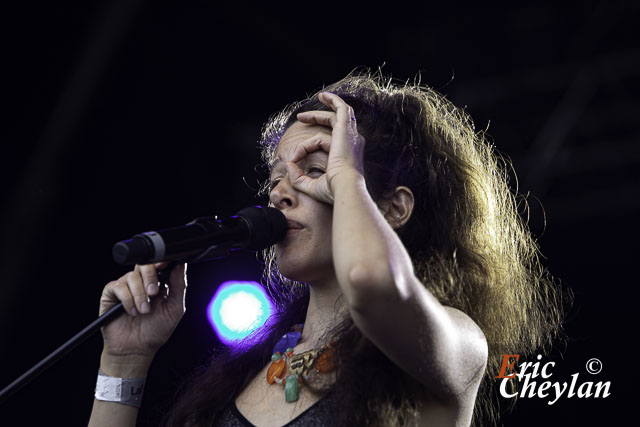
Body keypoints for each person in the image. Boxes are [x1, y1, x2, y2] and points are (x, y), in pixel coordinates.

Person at [88, 70, 565, 426]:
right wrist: (124, 364)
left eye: (315, 171)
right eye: (275, 179)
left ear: (394, 208)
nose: (279, 193)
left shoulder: (457, 344)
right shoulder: (250, 369)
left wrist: (347, 173)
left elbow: (370, 283)